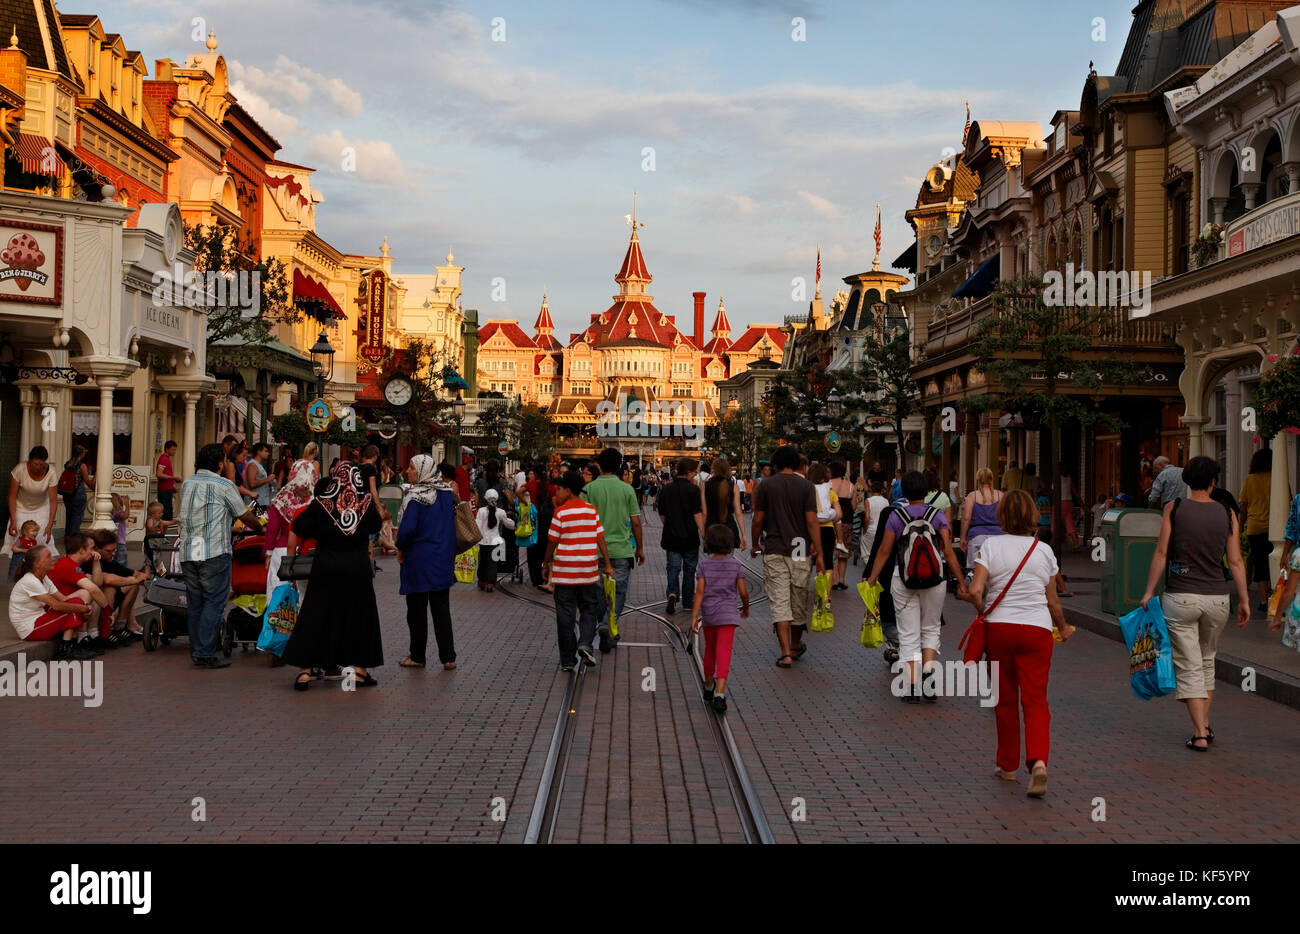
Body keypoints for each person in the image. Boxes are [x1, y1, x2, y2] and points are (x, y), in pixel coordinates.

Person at [963, 489, 1073, 797]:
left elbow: (976, 590)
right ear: (1032, 516)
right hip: (1037, 629)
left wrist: (980, 608)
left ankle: (1007, 764)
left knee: (1005, 699)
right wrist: (1062, 628)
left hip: (1000, 629)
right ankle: (1038, 762)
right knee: (1036, 700)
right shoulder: (1044, 551)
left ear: (1002, 516)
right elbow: (1053, 602)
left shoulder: (991, 545)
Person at [1141, 456, 1250, 751]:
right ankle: (1206, 724)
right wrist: (1245, 599)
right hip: (1217, 597)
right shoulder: (1228, 513)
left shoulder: (1173, 510)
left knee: (1188, 666)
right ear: (1213, 482)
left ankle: (1200, 733)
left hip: (1181, 597)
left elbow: (1162, 554)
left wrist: (1149, 590)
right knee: (1206, 661)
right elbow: (1236, 560)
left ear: (1187, 481)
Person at [865, 470, 966, 702]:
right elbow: (948, 552)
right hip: (935, 579)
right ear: (926, 491)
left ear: (904, 492)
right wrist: (961, 582)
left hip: (904, 579)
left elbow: (884, 551)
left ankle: (911, 686)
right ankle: (929, 679)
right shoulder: (937, 515)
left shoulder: (896, 516)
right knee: (931, 628)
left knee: (908, 632)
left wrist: (872, 579)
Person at [283, 462, 385, 691]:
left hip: (326, 568)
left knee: (315, 614)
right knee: (360, 617)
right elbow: (376, 524)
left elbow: (299, 525)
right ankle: (359, 672)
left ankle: (304, 672)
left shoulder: (322, 504)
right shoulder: (365, 503)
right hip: (357, 569)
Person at [179, 443, 262, 670]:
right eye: (225, 460)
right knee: (214, 602)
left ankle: (197, 649)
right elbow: (244, 515)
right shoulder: (223, 484)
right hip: (213, 550)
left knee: (196, 602)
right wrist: (260, 529)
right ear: (219, 463)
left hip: (189, 550)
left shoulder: (188, 483)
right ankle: (205, 652)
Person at [751, 445, 824, 668]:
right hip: (800, 546)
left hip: (774, 546)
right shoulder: (806, 486)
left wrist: (755, 544)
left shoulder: (767, 486)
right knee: (798, 598)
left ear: (775, 464)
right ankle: (795, 644)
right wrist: (819, 552)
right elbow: (812, 521)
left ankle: (785, 653)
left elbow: (757, 519)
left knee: (780, 601)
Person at [544, 470, 615, 670]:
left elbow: (552, 541)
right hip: (587, 573)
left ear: (567, 490)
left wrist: (545, 564)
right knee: (589, 610)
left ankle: (567, 660)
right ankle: (585, 643)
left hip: (565, 575)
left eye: (559, 489)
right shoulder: (591, 511)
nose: (556, 492)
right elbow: (600, 538)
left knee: (564, 616)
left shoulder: (560, 513)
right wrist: (608, 565)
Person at [397, 457, 458, 670]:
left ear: (423, 471)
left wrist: (400, 548)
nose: (408, 471)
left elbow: (407, 530)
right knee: (441, 609)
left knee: (416, 611)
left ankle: (417, 656)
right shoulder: (447, 494)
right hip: (442, 558)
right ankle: (448, 657)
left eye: (412, 467)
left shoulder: (416, 498)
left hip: (419, 560)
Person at [583, 447, 644, 651]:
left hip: (595, 550)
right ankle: (607, 625)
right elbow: (635, 522)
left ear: (599, 464)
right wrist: (640, 548)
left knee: (599, 593)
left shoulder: (589, 490)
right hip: (621, 550)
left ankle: (603, 624)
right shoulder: (627, 489)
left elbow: (583, 519)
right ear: (619, 466)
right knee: (618, 592)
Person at [690, 523, 750, 714]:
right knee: (724, 652)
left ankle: (708, 687)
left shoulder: (704, 565)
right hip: (729, 615)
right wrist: (746, 607)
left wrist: (694, 616)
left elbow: (699, 592)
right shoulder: (736, 565)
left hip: (709, 615)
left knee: (709, 650)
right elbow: (743, 592)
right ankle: (720, 694)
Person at [8, 546, 95, 659]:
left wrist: (83, 606)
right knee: (72, 608)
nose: (53, 558)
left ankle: (72, 645)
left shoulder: (44, 577)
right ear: (37, 564)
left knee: (75, 602)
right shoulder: (30, 581)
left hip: (40, 618)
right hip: (30, 629)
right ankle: (67, 648)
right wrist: (85, 609)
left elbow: (64, 599)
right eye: (48, 556)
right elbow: (57, 606)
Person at [658, 457, 706, 615]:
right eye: (695, 472)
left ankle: (672, 593)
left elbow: (662, 514)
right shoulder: (693, 490)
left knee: (673, 568)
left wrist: (669, 525)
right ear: (690, 472)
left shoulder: (666, 489)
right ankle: (687, 601)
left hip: (671, 536)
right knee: (689, 570)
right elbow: (697, 514)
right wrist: (704, 533)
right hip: (690, 537)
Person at [49, 532, 112, 653]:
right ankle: (82, 638)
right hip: (55, 609)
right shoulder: (68, 565)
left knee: (95, 594)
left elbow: (97, 583)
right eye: (92, 548)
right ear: (81, 550)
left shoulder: (72, 564)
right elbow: (93, 589)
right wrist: (108, 612)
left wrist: (96, 561)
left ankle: (93, 635)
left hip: (64, 605)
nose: (94, 551)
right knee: (87, 593)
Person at [84, 528, 148, 644]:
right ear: (97, 549)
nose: (113, 554)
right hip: (94, 606)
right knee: (111, 588)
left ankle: (120, 627)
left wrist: (144, 576)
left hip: (105, 605)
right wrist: (134, 580)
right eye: (109, 551)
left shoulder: (110, 561)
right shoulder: (89, 562)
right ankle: (105, 630)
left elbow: (135, 574)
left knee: (132, 585)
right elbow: (107, 579)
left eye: (115, 550)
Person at [1238, 448, 1277, 612]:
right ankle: (1275, 595)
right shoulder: (1277, 478)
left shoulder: (1250, 480)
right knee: (1275, 562)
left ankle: (1263, 600)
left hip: (1255, 528)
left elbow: (1244, 506)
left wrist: (1240, 527)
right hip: (1275, 527)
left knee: (1260, 563)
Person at [961, 468, 1004, 582]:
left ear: (978, 480)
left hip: (977, 536)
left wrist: (963, 538)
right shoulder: (1000, 495)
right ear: (992, 479)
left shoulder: (972, 496)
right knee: (997, 571)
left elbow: (966, 518)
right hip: (998, 536)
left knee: (976, 571)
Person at [809, 464, 841, 593]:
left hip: (811, 529)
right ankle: (826, 595)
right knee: (828, 561)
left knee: (811, 560)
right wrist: (829, 516)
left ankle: (816, 589)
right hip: (827, 529)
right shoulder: (830, 492)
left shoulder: (808, 490)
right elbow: (839, 515)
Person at [475, 488, 515, 593]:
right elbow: (509, 525)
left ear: (485, 499)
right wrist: (513, 520)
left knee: (483, 561)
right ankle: (491, 584)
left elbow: (477, 526)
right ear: (497, 499)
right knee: (493, 562)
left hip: (483, 541)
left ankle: (482, 580)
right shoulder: (501, 512)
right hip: (496, 541)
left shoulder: (481, 511)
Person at [527, 467, 557, 592]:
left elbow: (519, 491)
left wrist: (526, 503)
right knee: (544, 548)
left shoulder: (531, 485)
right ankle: (544, 574)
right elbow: (555, 501)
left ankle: (535, 578)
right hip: (546, 521)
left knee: (532, 549)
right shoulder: (550, 487)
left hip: (533, 519)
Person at [60, 444, 94, 538]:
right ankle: (73, 539)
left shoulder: (68, 464)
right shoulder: (82, 465)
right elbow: (88, 482)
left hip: (67, 494)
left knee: (69, 517)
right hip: (78, 494)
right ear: (82, 454)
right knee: (77, 518)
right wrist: (95, 477)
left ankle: (68, 537)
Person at [829, 461, 854, 587]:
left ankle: (832, 580)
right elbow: (854, 506)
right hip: (848, 521)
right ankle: (842, 580)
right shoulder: (851, 486)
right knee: (844, 553)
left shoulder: (829, 485)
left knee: (833, 550)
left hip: (833, 521)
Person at [143, 502, 177, 576]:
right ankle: (149, 575)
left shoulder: (159, 521)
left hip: (157, 545)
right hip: (150, 545)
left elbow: (167, 523)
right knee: (149, 561)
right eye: (160, 513)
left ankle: (159, 573)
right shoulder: (150, 519)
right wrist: (156, 527)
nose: (162, 514)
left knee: (157, 559)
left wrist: (175, 521)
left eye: (162, 512)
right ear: (153, 514)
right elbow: (150, 527)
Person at [7, 519, 40, 585]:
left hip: (27, 563)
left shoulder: (34, 541)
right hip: (18, 563)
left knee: (27, 577)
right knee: (17, 577)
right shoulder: (21, 540)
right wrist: (24, 550)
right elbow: (14, 548)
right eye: (33, 531)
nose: (35, 533)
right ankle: (16, 590)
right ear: (25, 532)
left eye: (36, 531)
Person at [1056, 462, 1079, 551]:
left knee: (1054, 524)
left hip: (1059, 503)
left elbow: (1055, 491)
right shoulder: (1069, 478)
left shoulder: (1057, 477)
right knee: (1070, 525)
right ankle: (1076, 545)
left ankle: (1051, 545)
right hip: (1069, 503)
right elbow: (1074, 491)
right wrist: (1081, 502)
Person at [155, 440, 178, 520]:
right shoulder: (163, 459)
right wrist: (174, 478)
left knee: (168, 511)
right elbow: (159, 474)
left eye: (175, 449)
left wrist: (172, 486)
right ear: (167, 449)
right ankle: (164, 531)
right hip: (164, 490)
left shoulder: (167, 459)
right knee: (165, 512)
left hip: (168, 489)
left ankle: (166, 530)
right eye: (173, 449)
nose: (174, 451)